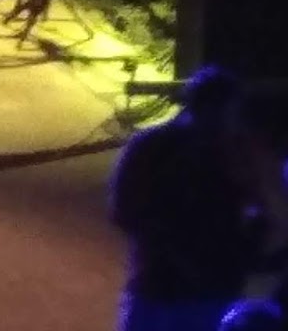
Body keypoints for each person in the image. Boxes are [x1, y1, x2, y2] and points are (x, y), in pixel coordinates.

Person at [110, 66, 285, 331]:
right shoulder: (237, 153)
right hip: (210, 293)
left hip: (155, 287)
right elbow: (276, 215)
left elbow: (121, 212)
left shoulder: (147, 146)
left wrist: (162, 240)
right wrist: (250, 250)